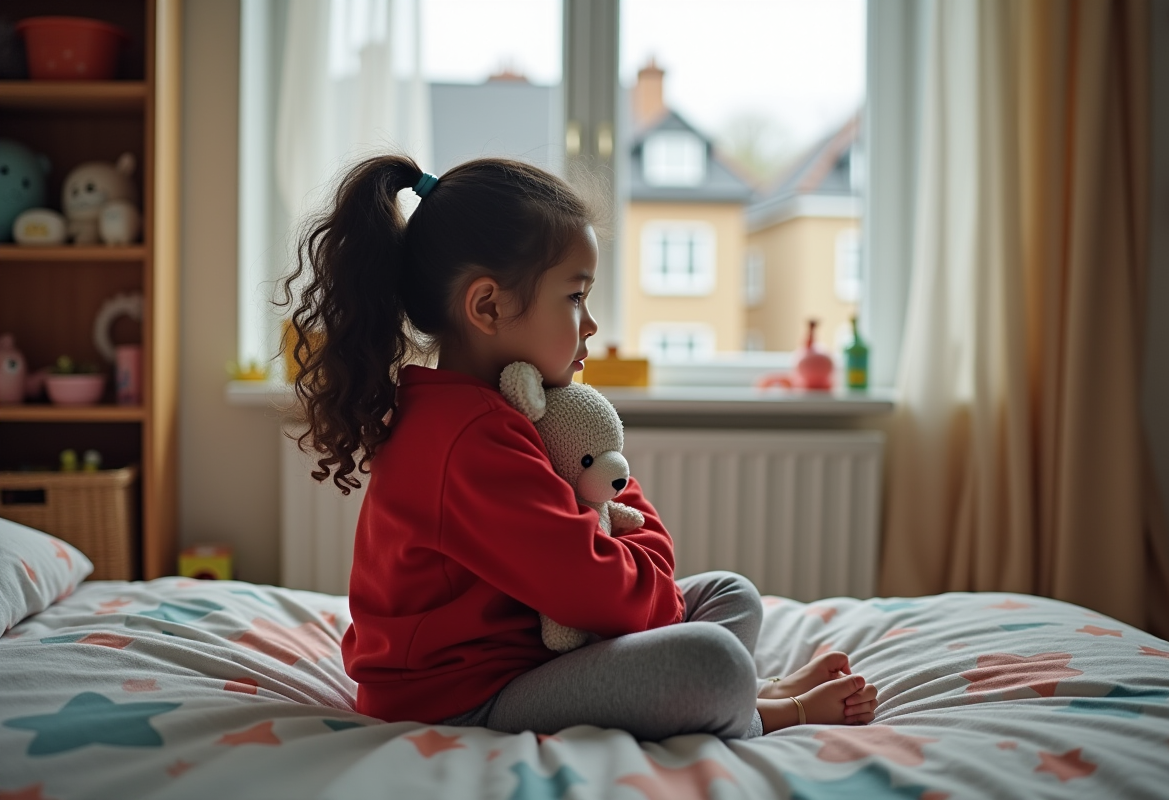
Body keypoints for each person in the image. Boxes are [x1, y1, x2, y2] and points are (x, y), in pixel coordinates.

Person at [280, 154, 878, 739]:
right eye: (574, 297)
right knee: (710, 661)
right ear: (487, 306)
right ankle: (770, 710)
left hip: (528, 652)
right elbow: (606, 591)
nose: (589, 323)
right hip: (462, 698)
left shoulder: (494, 407)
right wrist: (648, 573)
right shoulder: (468, 439)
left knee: (730, 593)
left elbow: (606, 553)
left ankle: (751, 688)